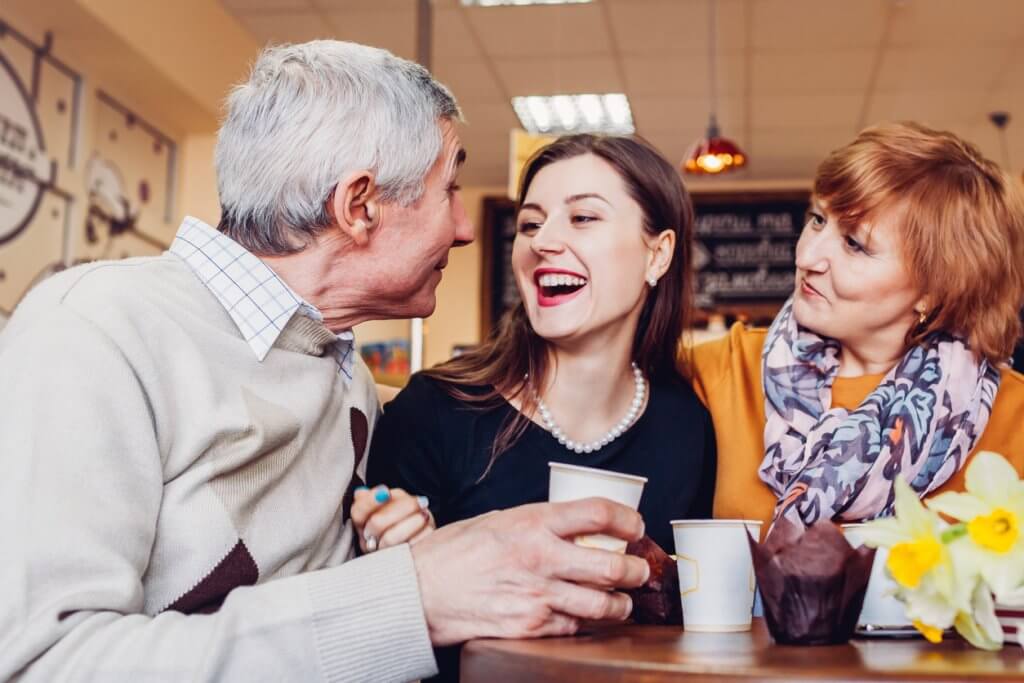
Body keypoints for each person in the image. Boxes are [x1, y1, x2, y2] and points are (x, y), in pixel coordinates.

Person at [0, 41, 651, 682]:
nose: (466, 226)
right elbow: (45, 662)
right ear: (359, 205)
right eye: (449, 188)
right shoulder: (93, 330)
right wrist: (413, 597)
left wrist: (394, 546)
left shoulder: (349, 381)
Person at [357, 135, 716, 679]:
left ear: (657, 253)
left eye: (583, 218)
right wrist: (398, 555)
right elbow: (373, 636)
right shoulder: (435, 412)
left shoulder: (686, 426)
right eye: (531, 224)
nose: (543, 241)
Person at [687, 121, 1024, 531]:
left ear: (936, 290)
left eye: (854, 244)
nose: (808, 256)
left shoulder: (1013, 416)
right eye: (816, 219)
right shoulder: (729, 365)